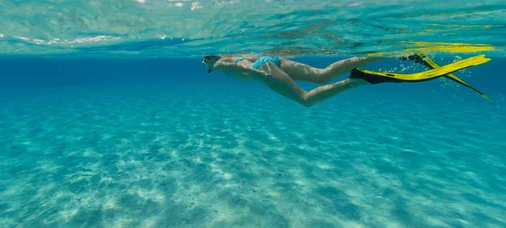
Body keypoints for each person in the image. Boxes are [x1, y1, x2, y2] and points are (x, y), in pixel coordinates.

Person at [201, 53, 491, 107]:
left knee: (305, 100)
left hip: (265, 69)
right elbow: (243, 58)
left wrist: (255, 73)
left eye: (206, 61)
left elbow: (239, 66)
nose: (206, 66)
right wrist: (262, 64)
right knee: (324, 73)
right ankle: (397, 54)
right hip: (273, 58)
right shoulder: (229, 52)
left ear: (212, 57)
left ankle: (359, 80)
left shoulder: (224, 63)